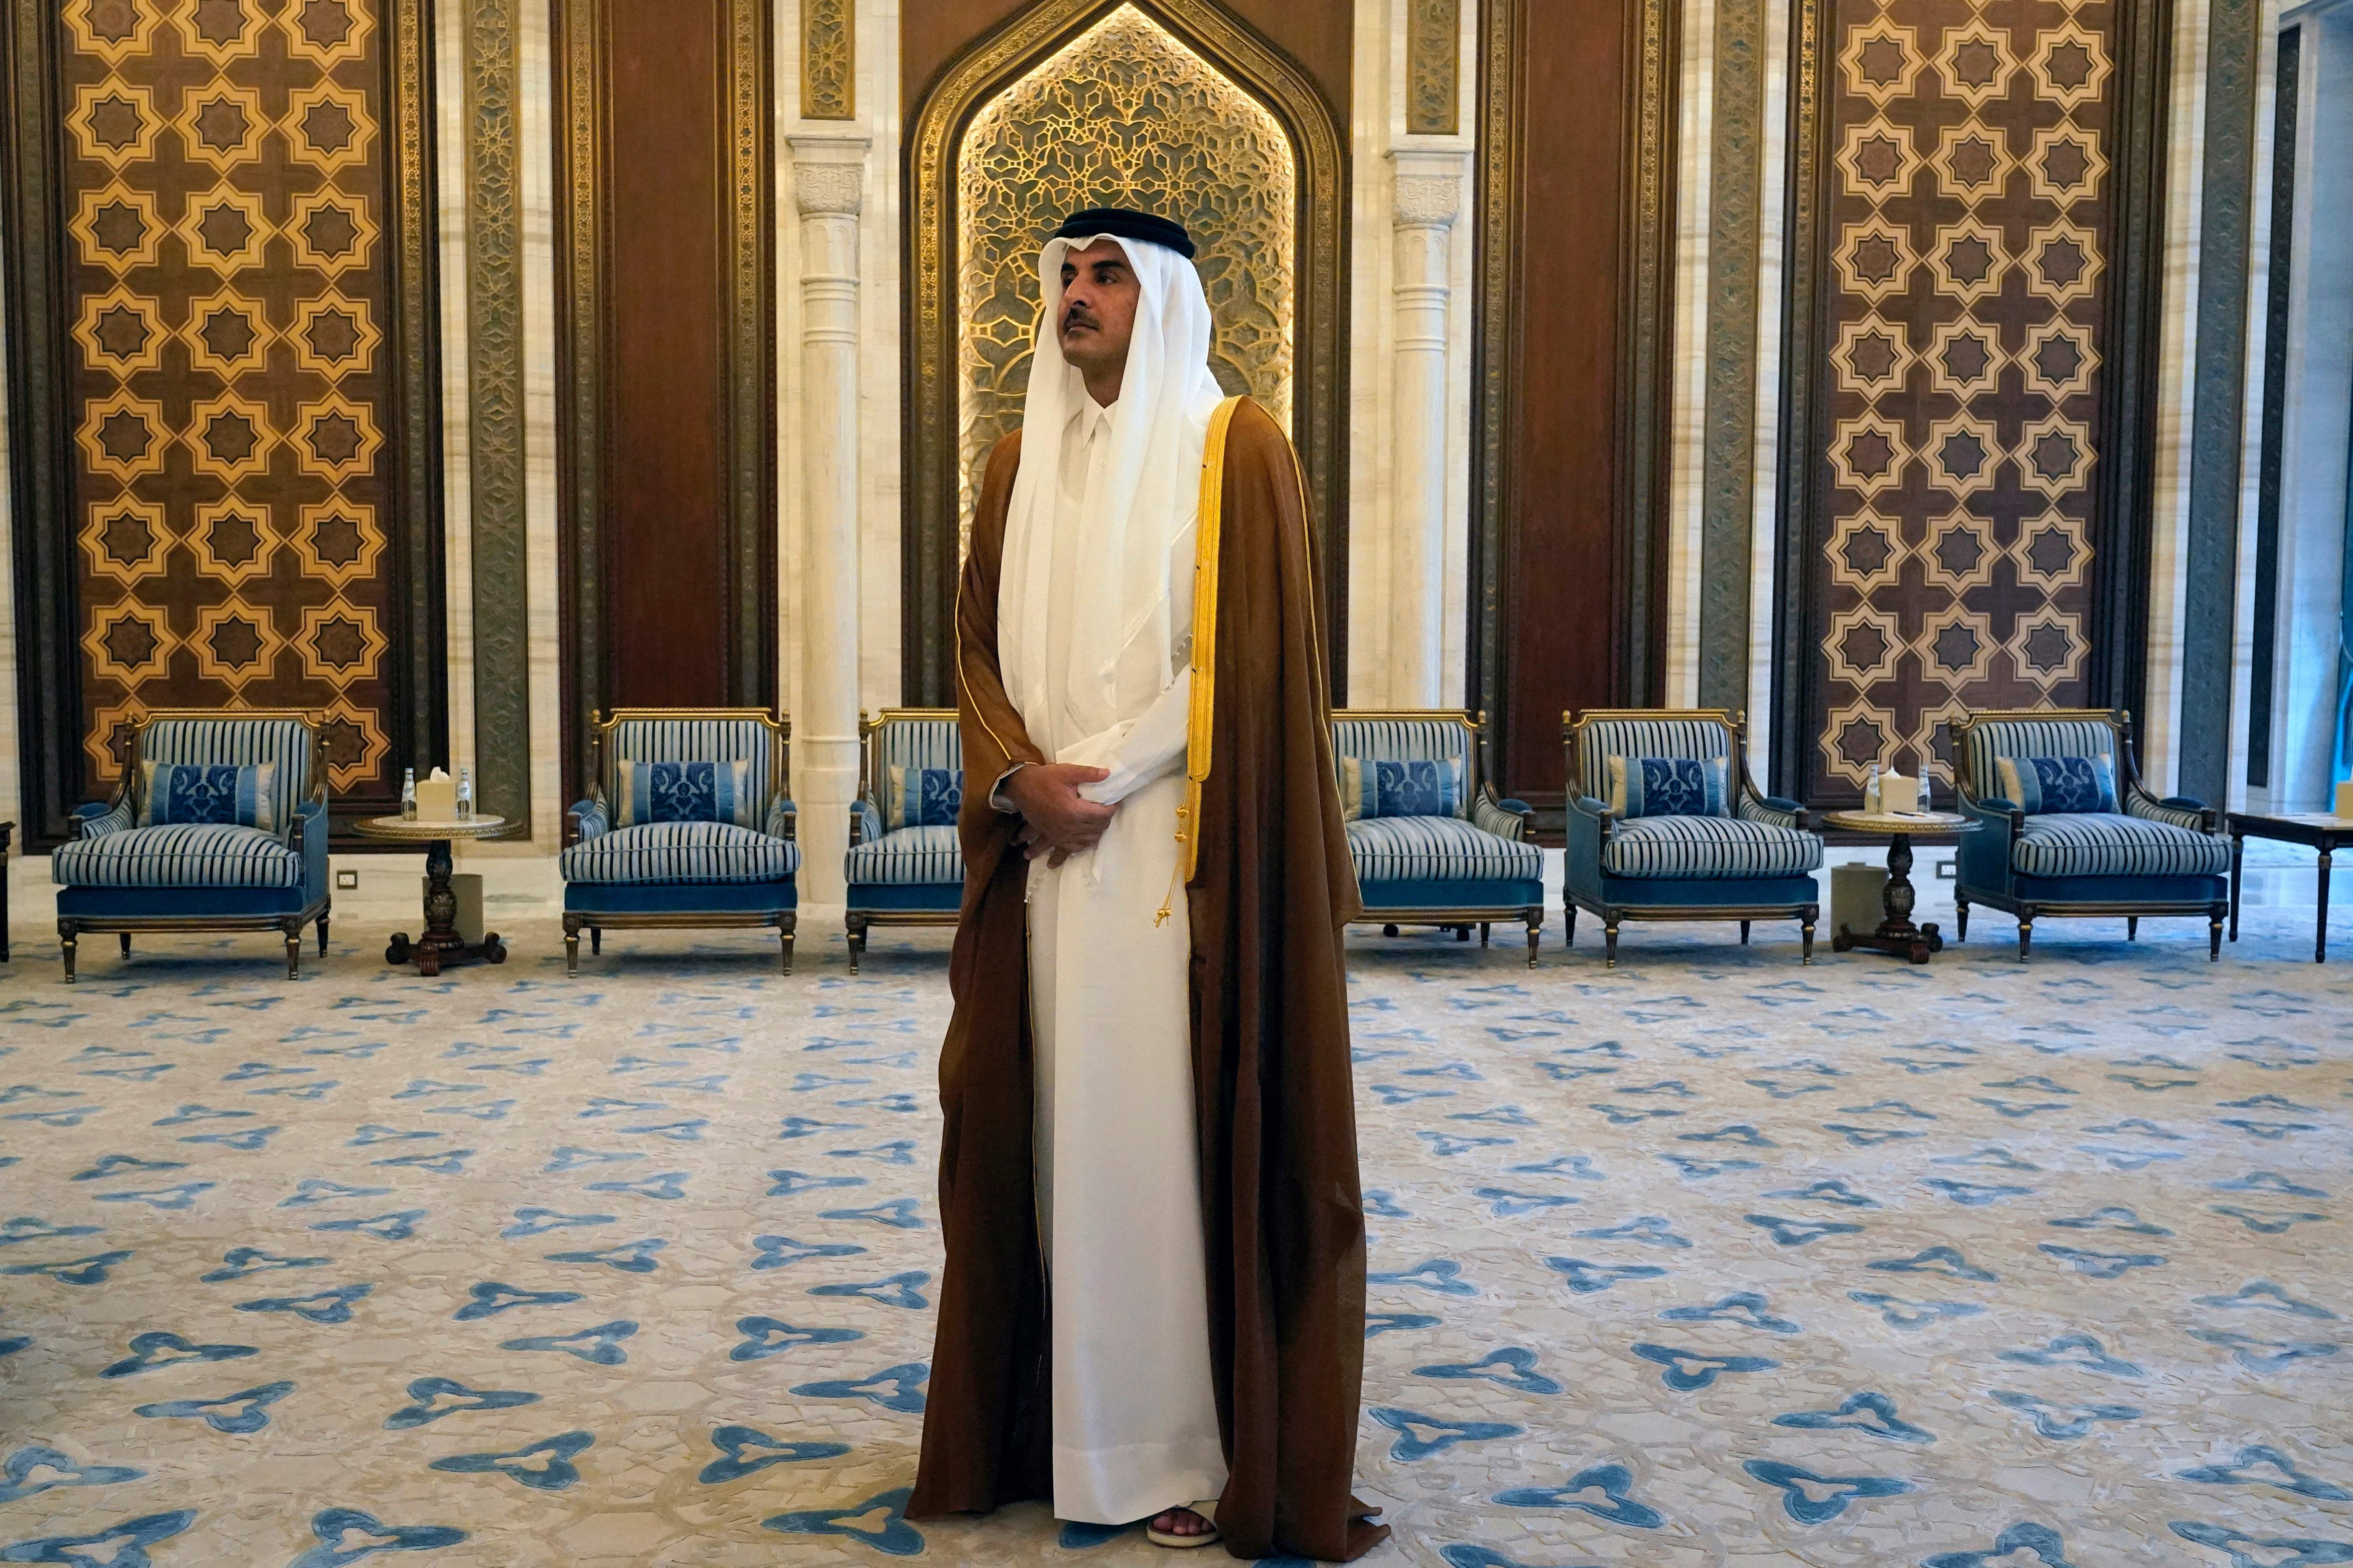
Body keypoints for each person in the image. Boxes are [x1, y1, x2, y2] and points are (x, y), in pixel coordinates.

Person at [907, 207, 1386, 1561]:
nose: (1078, 293)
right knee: (1049, 1148)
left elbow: (1245, 662)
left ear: (1164, 299)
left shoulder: (1237, 450)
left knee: (1154, 1151)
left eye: (1108, 274)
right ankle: (1061, 1434)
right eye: (1065, 272)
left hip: (1177, 853)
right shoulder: (1018, 462)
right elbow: (974, 652)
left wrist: (1094, 780)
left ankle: (1175, 1443)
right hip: (1042, 860)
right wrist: (1016, 783)